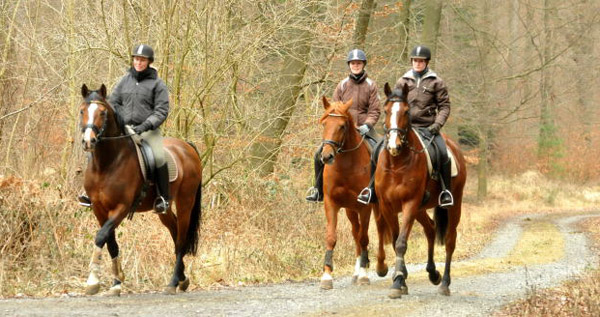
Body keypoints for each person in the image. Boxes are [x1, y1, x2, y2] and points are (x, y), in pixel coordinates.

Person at [78, 44, 172, 214]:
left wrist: (145, 125)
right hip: (125, 128)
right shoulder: (124, 81)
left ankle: (163, 198)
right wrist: (119, 122)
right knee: (97, 148)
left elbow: (161, 111)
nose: (139, 62)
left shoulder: (158, 84)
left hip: (148, 130)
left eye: (142, 60)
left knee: (158, 155)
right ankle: (90, 191)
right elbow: (113, 103)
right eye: (136, 59)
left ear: (149, 62)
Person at [357, 45, 453, 207]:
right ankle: (371, 188)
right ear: (411, 62)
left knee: (444, 153)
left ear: (426, 62)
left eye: (421, 61)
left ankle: (445, 191)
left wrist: (437, 124)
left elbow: (444, 106)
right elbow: (393, 104)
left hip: (427, 127)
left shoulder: (436, 82)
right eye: (415, 61)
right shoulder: (402, 81)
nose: (418, 64)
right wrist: (389, 123)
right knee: (377, 151)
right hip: (402, 128)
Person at [306, 48, 381, 202]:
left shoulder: (371, 85)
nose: (356, 65)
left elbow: (375, 110)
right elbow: (333, 108)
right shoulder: (342, 85)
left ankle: (374, 190)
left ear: (363, 65)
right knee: (318, 155)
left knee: (379, 152)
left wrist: (367, 124)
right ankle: (318, 191)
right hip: (343, 130)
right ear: (349, 65)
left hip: (365, 129)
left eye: (358, 63)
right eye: (353, 63)